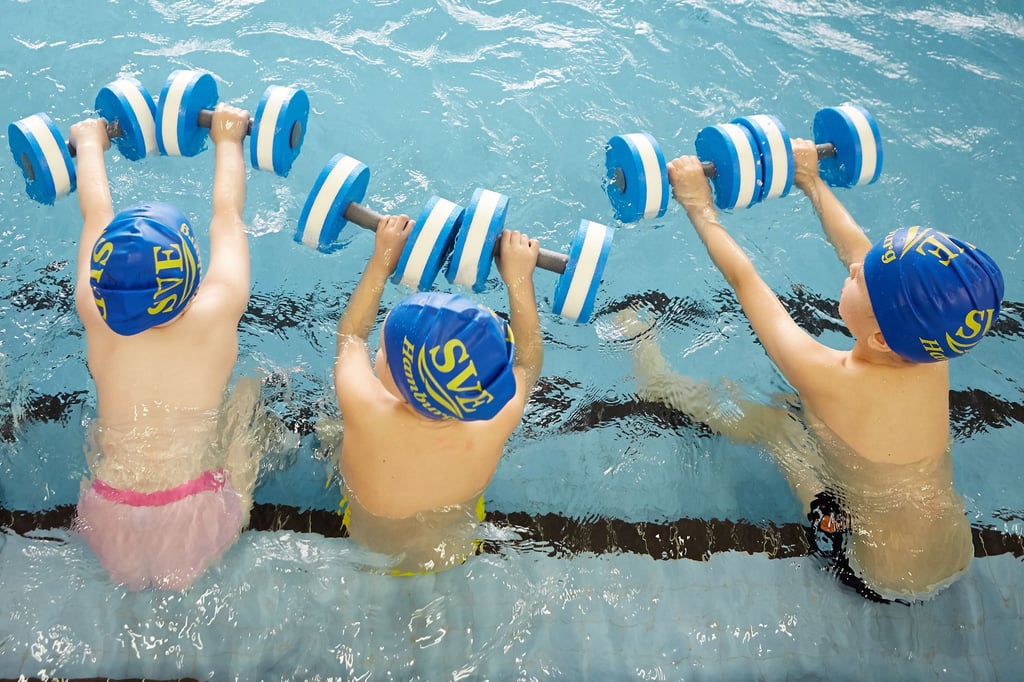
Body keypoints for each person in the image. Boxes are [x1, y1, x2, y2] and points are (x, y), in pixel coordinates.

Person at [617, 138, 1004, 603]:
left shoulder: (829, 376)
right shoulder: (932, 348)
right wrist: (811, 181)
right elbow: (860, 254)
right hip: (955, 553)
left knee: (778, 424)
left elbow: (746, 282)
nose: (856, 268)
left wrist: (699, 206)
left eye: (864, 279)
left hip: (877, 572)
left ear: (880, 338)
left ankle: (657, 384)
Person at [69, 104, 265, 590]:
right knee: (249, 396)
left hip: (107, 509)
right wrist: (227, 139)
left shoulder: (94, 311)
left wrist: (89, 144)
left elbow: (96, 214)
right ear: (190, 276)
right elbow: (227, 216)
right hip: (195, 507)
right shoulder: (218, 307)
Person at [333, 216, 543, 574]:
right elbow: (528, 363)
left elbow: (351, 335)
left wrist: (383, 257)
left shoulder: (364, 406)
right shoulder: (494, 421)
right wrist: (520, 281)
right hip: (455, 543)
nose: (376, 355)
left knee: (330, 430)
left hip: (364, 535)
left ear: (402, 386)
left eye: (381, 353)